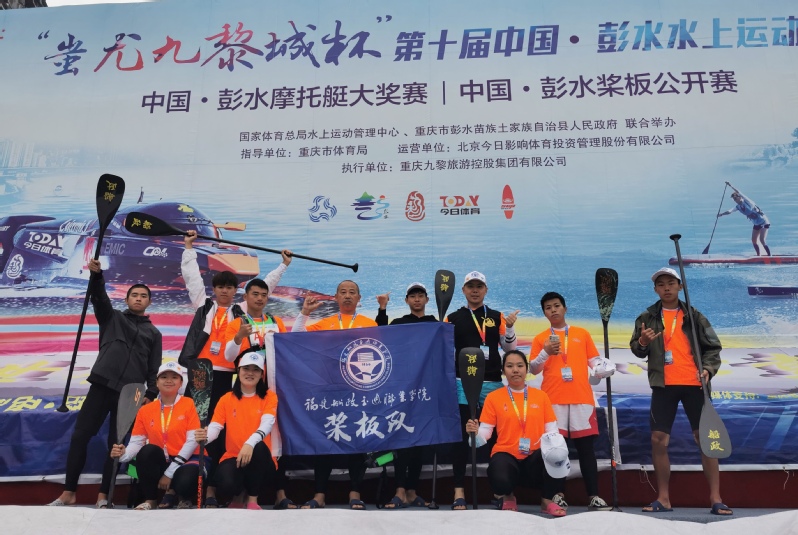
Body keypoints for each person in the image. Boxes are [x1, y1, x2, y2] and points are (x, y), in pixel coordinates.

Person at [178, 230, 292, 508]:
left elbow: (263, 288)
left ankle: (213, 488)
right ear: (215, 289)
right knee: (196, 427)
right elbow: (192, 278)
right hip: (201, 373)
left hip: (227, 375)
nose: (225, 292)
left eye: (230, 288)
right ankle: (182, 486)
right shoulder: (203, 305)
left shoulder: (239, 312)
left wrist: (283, 266)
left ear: (235, 292)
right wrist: (189, 248)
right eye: (220, 287)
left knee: (218, 429)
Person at [48, 259, 162, 508]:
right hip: (101, 385)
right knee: (80, 436)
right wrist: (97, 276)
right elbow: (99, 298)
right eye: (135, 295)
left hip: (131, 394)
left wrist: (151, 393)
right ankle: (69, 492)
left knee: (116, 445)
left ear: (149, 302)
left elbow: (154, 368)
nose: (139, 298)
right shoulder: (112, 318)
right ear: (127, 299)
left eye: (144, 296)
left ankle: (103, 496)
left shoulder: (154, 334)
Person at [630, 267, 732, 516]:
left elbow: (713, 347)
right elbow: (637, 349)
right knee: (658, 439)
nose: (666, 288)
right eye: (661, 284)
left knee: (704, 439)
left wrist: (707, 369)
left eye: (671, 283)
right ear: (655, 289)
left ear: (680, 286)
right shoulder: (647, 316)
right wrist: (643, 342)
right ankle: (663, 499)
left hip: (695, 383)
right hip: (663, 384)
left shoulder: (694, 316)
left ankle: (716, 499)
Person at [293, 280, 377, 510]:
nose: (347, 296)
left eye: (352, 292)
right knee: (325, 440)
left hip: (359, 391)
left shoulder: (370, 324)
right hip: (329, 391)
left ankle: (355, 492)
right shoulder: (325, 323)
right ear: (336, 297)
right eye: (343, 292)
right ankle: (319, 494)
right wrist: (304, 313)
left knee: (358, 440)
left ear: (359, 298)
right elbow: (296, 338)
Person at [529, 292, 615, 511]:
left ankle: (594, 496)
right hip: (552, 400)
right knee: (556, 450)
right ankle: (556, 495)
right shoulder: (540, 338)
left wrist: (602, 369)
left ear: (565, 309)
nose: (553, 310)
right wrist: (545, 352)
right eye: (548, 307)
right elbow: (533, 368)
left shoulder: (581, 334)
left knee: (586, 449)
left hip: (581, 399)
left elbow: (595, 362)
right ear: (544, 313)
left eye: (557, 305)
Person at [445, 271, 519, 510]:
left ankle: (499, 490)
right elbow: (445, 350)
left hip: (492, 383)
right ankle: (459, 491)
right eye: (470, 286)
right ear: (463, 290)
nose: (475, 290)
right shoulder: (452, 317)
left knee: (495, 438)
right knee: (462, 436)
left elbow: (509, 349)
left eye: (479, 286)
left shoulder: (496, 316)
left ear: (486, 290)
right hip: (462, 383)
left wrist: (509, 328)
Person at [465, 350, 568, 516]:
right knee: (500, 475)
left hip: (535, 457)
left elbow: (552, 432)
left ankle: (547, 500)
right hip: (506, 455)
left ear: (526, 369)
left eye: (520, 366)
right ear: (503, 371)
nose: (515, 370)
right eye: (510, 366)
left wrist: (556, 451)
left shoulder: (541, 396)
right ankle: (508, 496)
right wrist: (475, 434)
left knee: (557, 455)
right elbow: (484, 434)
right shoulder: (493, 397)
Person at [375, 282, 437, 508]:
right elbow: (381, 334)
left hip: (427, 389)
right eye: (413, 296)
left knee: (420, 441)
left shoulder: (435, 323)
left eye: (421, 295)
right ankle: (399, 490)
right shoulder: (399, 323)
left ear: (427, 299)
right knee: (401, 438)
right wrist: (382, 308)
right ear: (407, 301)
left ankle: (412, 491)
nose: (417, 299)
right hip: (402, 389)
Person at [111, 362, 202, 510]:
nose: (169, 380)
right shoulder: (145, 410)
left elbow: (192, 441)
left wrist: (169, 473)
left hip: (187, 459)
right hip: (163, 459)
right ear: (157, 383)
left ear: (181, 383)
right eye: (164, 377)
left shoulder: (189, 404)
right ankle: (151, 500)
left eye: (174, 377)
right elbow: (136, 443)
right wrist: (123, 455)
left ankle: (182, 497)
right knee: (147, 451)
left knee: (185, 481)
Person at [203, 352, 278, 510]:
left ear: (262, 374)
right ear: (238, 370)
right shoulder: (226, 398)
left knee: (258, 447)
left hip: (261, 459)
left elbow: (267, 423)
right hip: (234, 457)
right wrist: (204, 437)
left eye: (255, 369)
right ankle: (237, 497)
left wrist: (249, 444)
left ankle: (252, 500)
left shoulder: (269, 397)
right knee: (225, 483)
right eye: (246, 368)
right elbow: (215, 427)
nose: (250, 373)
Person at [718, 182, 771, 256]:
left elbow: (739, 191)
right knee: (753, 240)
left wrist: (730, 185)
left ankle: (769, 256)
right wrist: (721, 214)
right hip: (756, 223)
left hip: (763, 222)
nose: (735, 200)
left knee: (761, 240)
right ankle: (758, 256)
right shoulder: (738, 207)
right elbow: (730, 211)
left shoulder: (748, 202)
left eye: (735, 198)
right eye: (734, 199)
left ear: (740, 197)